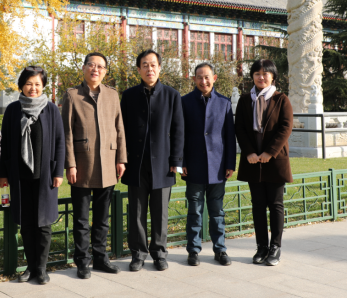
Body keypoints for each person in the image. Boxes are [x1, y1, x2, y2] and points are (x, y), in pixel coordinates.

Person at [0, 66, 65, 284]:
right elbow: (5, 143)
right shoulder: (13, 110)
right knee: (26, 224)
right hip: (20, 176)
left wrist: (58, 171)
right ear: (21, 86)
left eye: (37, 84)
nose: (33, 88)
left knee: (43, 224)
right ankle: (30, 267)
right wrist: (2, 173)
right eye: (28, 84)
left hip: (45, 176)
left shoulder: (51, 109)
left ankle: (42, 268)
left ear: (43, 86)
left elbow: (60, 142)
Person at [62, 52, 127, 279]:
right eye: (91, 65)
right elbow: (67, 133)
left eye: (100, 66)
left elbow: (119, 128)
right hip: (82, 164)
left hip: (108, 162)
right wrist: (70, 164)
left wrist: (121, 159)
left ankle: (100, 258)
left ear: (105, 71)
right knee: (81, 220)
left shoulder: (112, 94)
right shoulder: (72, 95)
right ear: (84, 68)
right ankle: (82, 261)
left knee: (102, 218)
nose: (95, 69)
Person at [120, 50, 184, 272]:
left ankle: (159, 253)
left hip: (163, 164)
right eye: (145, 65)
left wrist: (176, 160)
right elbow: (122, 130)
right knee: (136, 212)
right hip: (136, 164)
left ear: (159, 68)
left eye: (153, 65)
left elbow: (178, 130)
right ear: (138, 69)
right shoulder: (129, 95)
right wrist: (122, 159)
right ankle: (138, 253)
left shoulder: (172, 95)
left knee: (160, 212)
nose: (150, 69)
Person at [235, 59, 293, 266]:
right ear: (252, 76)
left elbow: (286, 127)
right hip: (253, 161)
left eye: (265, 73)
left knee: (276, 204)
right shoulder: (245, 100)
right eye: (257, 74)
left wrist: (270, 152)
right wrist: (249, 152)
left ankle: (275, 247)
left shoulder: (281, 99)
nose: (261, 77)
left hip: (275, 161)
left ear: (272, 76)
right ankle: (261, 247)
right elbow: (239, 128)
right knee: (258, 205)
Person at [181, 63, 236, 267]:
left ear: (214, 78)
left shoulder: (224, 103)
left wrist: (230, 163)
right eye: (199, 77)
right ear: (194, 79)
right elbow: (180, 135)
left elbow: (229, 137)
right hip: (193, 166)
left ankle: (220, 249)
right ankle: (193, 250)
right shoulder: (185, 102)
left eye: (207, 77)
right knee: (194, 211)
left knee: (217, 211)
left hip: (218, 167)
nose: (203, 81)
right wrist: (181, 162)